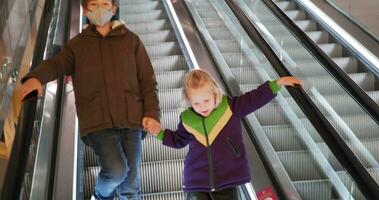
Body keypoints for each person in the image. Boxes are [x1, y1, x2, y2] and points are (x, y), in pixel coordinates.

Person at [18, 0, 160, 199]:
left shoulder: (131, 41)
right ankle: (101, 196)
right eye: (94, 4)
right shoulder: (77, 46)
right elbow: (56, 64)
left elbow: (147, 81)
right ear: (85, 10)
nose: (100, 8)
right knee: (117, 170)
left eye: (105, 3)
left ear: (113, 9)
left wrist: (152, 114)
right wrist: (36, 77)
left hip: (132, 119)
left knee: (131, 182)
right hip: (97, 121)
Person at [146, 69, 301, 200]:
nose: (202, 107)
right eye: (196, 103)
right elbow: (178, 140)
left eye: (206, 100)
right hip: (196, 182)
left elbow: (254, 98)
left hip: (228, 179)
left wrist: (277, 84)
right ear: (189, 102)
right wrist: (159, 132)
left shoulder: (231, 107)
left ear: (215, 94)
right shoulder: (187, 119)